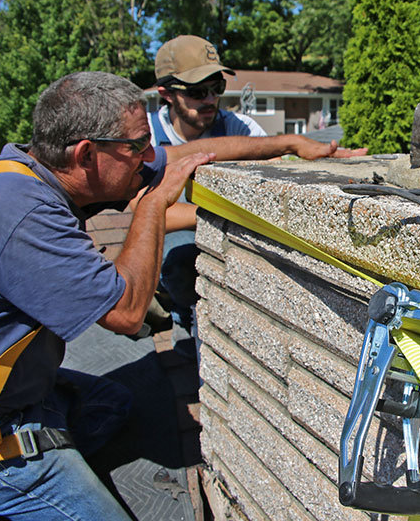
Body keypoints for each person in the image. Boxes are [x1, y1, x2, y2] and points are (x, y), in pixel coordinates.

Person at [0, 70, 360, 520]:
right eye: (138, 147)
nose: (150, 157)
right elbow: (128, 313)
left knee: (111, 406)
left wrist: (290, 146)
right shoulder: (24, 217)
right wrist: (155, 204)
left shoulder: (14, 171)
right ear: (85, 154)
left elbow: (190, 154)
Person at [146, 35, 367, 354]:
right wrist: (223, 212)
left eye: (216, 88)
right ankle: (188, 316)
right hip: (181, 243)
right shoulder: (149, 137)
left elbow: (274, 179)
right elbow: (149, 214)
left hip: (231, 230)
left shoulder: (240, 127)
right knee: (179, 264)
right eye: (197, 92)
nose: (210, 100)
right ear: (166, 94)